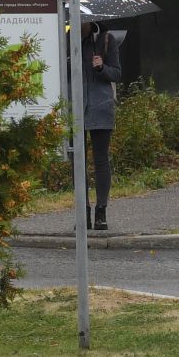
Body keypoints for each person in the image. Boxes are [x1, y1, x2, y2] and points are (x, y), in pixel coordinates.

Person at [73, 21, 123, 230]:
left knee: (101, 160)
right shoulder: (67, 40)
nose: (79, 23)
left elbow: (117, 74)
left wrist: (102, 67)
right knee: (78, 161)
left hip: (100, 106)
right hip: (75, 106)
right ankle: (82, 212)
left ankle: (101, 211)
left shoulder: (106, 39)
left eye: (83, 19)